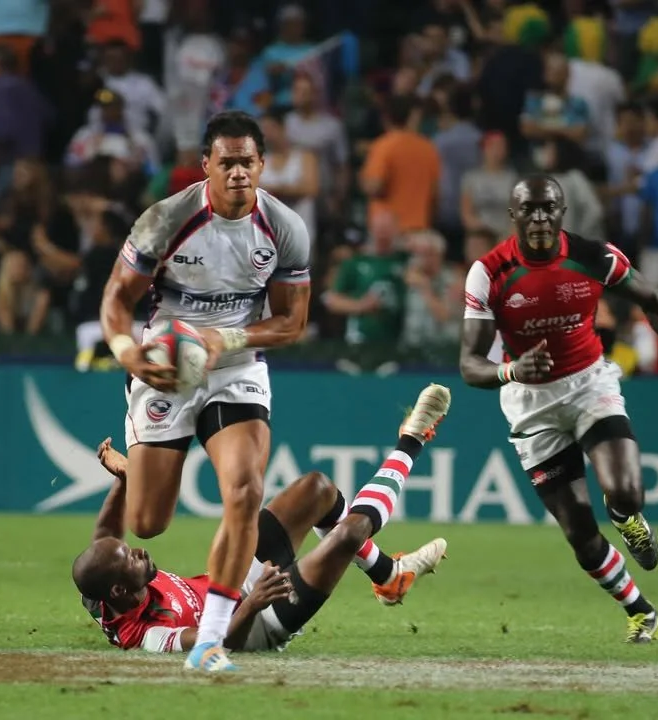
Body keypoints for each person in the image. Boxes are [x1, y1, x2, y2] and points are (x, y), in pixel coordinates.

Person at [459, 176, 658, 643]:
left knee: (625, 491)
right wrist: (512, 370)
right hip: (529, 404)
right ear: (512, 216)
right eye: (530, 209)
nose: (540, 217)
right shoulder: (489, 272)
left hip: (588, 385)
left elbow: (654, 300)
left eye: (549, 208)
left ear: (563, 212)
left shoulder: (594, 255)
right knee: (579, 533)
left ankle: (627, 518)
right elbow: (469, 364)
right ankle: (641, 612)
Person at [99, 111, 314, 672]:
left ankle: (209, 641)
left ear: (262, 165)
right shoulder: (166, 219)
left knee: (243, 491)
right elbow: (117, 301)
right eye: (228, 162)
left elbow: (291, 322)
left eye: (248, 162)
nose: (239, 172)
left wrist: (227, 338)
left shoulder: (285, 227)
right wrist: (129, 355)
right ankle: (132, 474)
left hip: (235, 363)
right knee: (147, 522)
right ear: (207, 167)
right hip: (165, 367)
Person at [73, 383, 452, 658]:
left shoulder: (102, 589)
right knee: (350, 532)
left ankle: (388, 575)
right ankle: (412, 441)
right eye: (130, 558)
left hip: (235, 581)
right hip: (256, 622)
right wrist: (252, 604)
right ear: (120, 591)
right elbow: (215, 643)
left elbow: (104, 539)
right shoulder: (144, 634)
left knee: (316, 489)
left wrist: (123, 480)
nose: (139, 551)